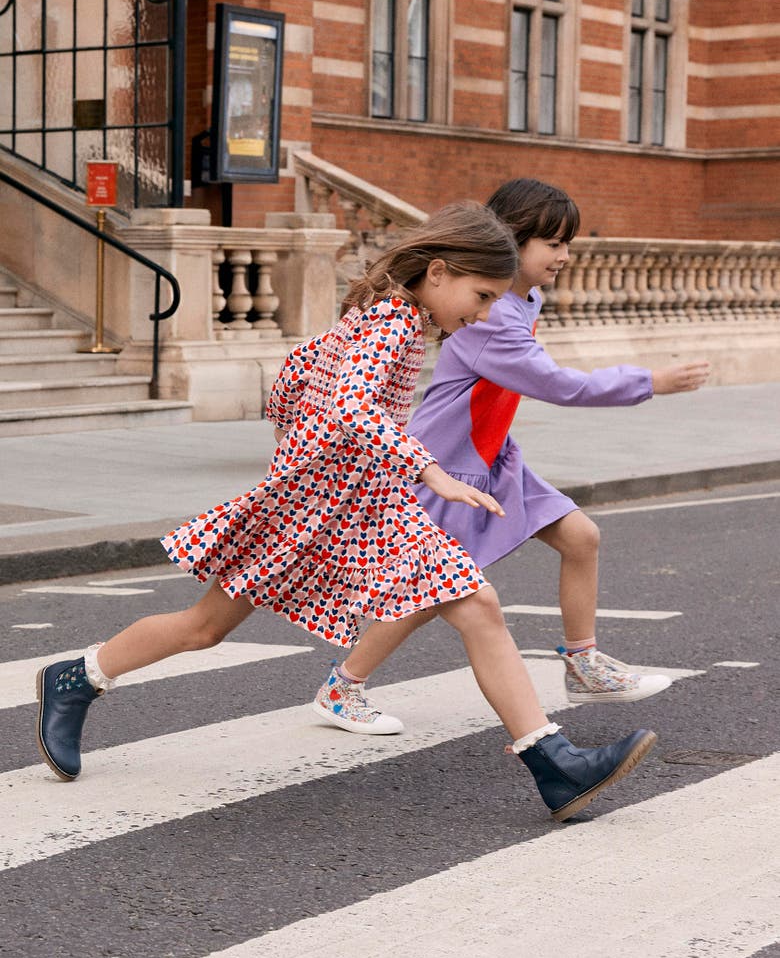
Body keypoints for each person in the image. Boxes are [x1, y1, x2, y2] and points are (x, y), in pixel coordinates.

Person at [36, 200, 654, 823]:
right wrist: (428, 468)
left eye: (495, 300)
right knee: (204, 628)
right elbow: (353, 407)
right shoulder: (392, 323)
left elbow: (297, 377)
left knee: (477, 604)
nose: (486, 311)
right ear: (438, 272)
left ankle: (554, 765)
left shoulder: (388, 314)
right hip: (324, 502)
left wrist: (295, 440)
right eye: (483, 294)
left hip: (362, 500)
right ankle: (75, 677)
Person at [310, 178, 710, 736]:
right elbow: (556, 384)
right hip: (448, 466)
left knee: (581, 537)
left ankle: (583, 663)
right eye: (554, 244)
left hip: (495, 460)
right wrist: (651, 380)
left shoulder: (521, 299)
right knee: (429, 594)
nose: (565, 257)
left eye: (567, 243)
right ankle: (342, 687)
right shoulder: (493, 317)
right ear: (513, 241)